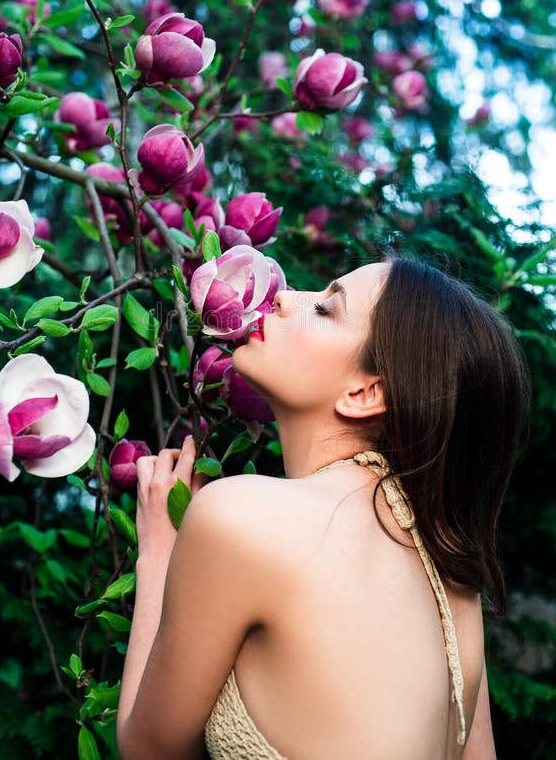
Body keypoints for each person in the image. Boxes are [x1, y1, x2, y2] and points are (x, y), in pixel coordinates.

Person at [116, 258, 529, 760]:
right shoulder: (451, 579)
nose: (287, 297)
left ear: (365, 393)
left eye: (327, 308)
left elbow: (146, 751)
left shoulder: (239, 519)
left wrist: (159, 551)